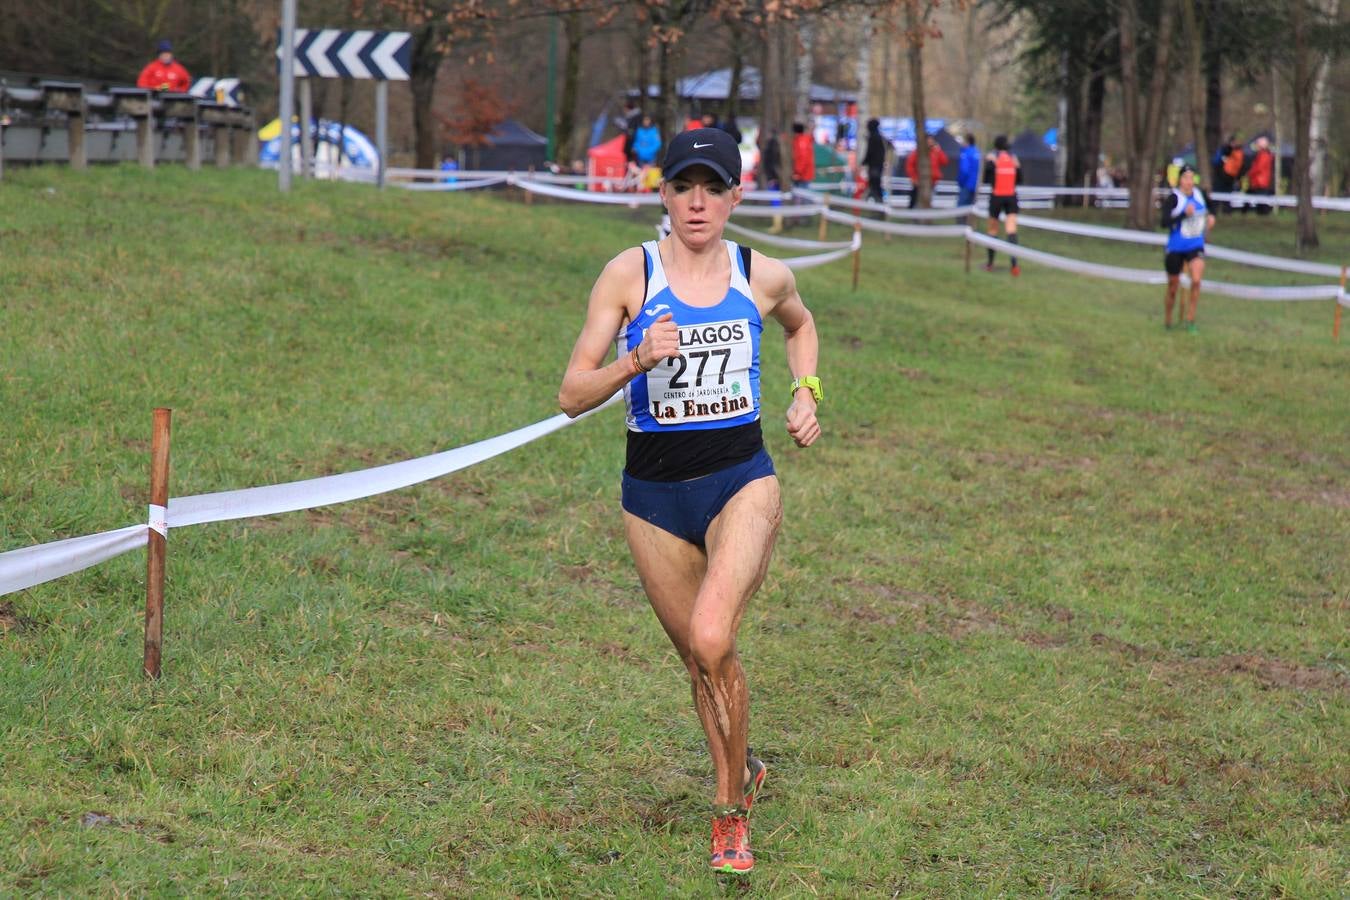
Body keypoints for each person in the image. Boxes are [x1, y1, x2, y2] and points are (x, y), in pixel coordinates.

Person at [557, 127, 821, 876]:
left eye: (713, 188)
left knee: (711, 637)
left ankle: (730, 814)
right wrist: (635, 357)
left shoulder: (760, 274)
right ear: (663, 194)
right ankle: (745, 766)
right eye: (683, 187)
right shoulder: (627, 276)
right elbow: (571, 393)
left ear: (737, 196)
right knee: (703, 662)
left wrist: (807, 390)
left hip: (742, 480)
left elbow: (802, 326)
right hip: (652, 498)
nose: (697, 203)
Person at [1161, 163, 1215, 333]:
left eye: (1192, 178)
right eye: (1185, 178)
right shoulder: (1174, 198)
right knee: (1173, 287)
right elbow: (1164, 222)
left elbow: (1212, 208)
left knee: (1197, 279)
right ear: (1180, 180)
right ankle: (1168, 319)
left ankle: (1191, 319)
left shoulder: (1200, 195)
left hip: (1195, 245)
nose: (1189, 182)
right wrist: (1184, 214)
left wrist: (1212, 217)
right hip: (1176, 247)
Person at [982, 134, 1022, 275]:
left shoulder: (993, 159)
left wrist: (989, 164)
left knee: (993, 230)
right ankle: (1014, 265)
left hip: (997, 197)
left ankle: (990, 264)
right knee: (1011, 230)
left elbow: (987, 179)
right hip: (1011, 197)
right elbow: (1019, 180)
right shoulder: (1013, 159)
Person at [904, 134, 949, 209]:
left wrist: (939, 150)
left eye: (932, 140)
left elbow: (945, 161)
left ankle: (925, 216)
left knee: (928, 200)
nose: (930, 142)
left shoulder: (936, 152)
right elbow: (909, 166)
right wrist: (914, 178)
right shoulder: (917, 152)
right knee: (915, 199)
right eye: (928, 140)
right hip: (919, 181)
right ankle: (912, 215)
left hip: (932, 181)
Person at [1246, 135, 1274, 215]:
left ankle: (1263, 214)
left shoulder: (1264, 155)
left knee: (1261, 200)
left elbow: (1258, 168)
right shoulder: (1262, 155)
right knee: (1260, 199)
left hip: (1260, 181)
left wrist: (1250, 173)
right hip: (1259, 181)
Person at [862, 118, 887, 203]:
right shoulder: (879, 137)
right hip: (878, 166)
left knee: (874, 184)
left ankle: (878, 202)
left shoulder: (873, 138)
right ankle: (875, 201)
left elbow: (870, 152)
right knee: (875, 184)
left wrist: (864, 162)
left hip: (874, 166)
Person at [957, 133, 981, 209]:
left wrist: (960, 182)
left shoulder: (966, 153)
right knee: (971, 208)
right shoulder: (977, 152)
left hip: (966, 184)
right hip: (975, 185)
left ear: (967, 141)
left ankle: (962, 221)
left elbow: (964, 170)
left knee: (961, 208)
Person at [791, 122, 814, 187]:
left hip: (802, 176)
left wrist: (797, 172)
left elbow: (802, 158)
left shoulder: (801, 142)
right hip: (804, 175)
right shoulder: (804, 140)